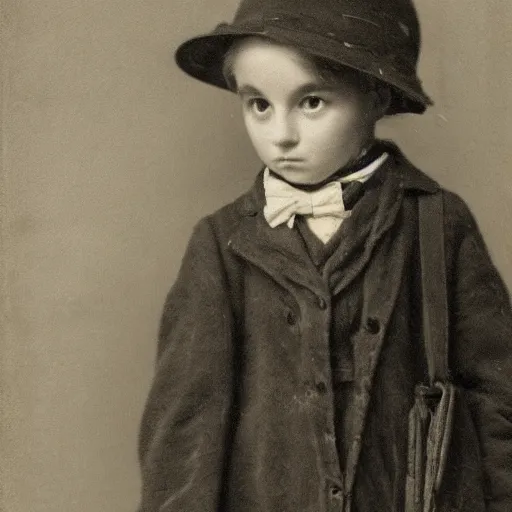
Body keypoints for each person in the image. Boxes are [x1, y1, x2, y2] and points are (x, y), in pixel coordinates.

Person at [136, 0, 512, 511]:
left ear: (377, 95)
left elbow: (499, 400)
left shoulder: (438, 224)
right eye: (258, 105)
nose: (281, 134)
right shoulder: (219, 244)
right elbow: (183, 433)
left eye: (311, 102)